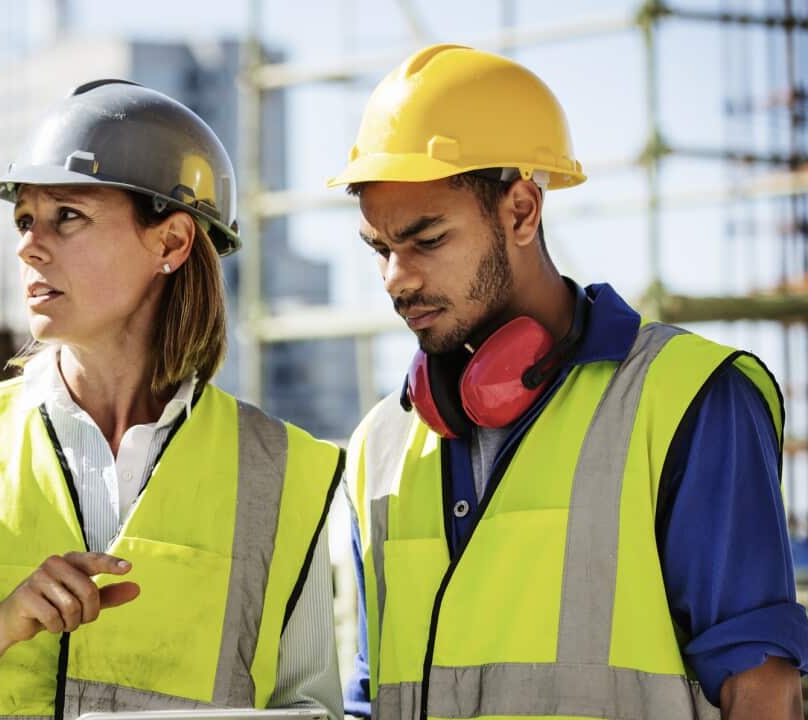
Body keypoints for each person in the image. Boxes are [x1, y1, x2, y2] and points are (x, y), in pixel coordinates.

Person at [0, 79, 344, 720]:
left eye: (66, 216)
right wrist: (1, 624)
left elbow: (312, 708)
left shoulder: (286, 472)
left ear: (171, 242)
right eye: (24, 219)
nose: (28, 245)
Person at [331, 44, 808, 720]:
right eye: (380, 249)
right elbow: (373, 695)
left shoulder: (688, 402)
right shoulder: (379, 444)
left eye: (427, 240)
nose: (395, 279)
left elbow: (762, 692)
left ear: (522, 210)